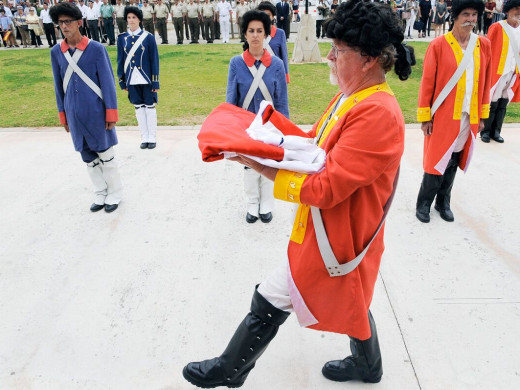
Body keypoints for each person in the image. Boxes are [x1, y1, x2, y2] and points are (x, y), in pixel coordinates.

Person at [183, 1, 413, 387]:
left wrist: (262, 165)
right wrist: (259, 139)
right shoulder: (352, 96)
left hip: (339, 235)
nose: (329, 57)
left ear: (370, 59)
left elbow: (324, 187)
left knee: (273, 294)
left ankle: (231, 369)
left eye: (338, 51)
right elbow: (313, 145)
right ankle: (368, 367)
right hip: (335, 229)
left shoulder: (376, 112)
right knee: (354, 298)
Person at [415, 0, 491, 223]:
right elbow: (427, 82)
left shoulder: (483, 45)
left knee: (455, 158)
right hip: (444, 115)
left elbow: (485, 83)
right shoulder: (438, 45)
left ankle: (443, 202)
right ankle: (424, 203)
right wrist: (425, 117)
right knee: (436, 159)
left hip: (469, 116)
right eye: (465, 14)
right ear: (455, 17)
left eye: (474, 15)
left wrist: (483, 116)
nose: (470, 19)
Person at [49, 2, 122, 213]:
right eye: (60, 23)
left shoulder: (96, 49)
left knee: (106, 155)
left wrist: (111, 113)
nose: (64, 26)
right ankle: (100, 192)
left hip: (97, 113)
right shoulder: (56, 52)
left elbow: (108, 84)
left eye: (68, 21)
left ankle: (115, 192)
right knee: (88, 157)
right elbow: (58, 87)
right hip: (73, 113)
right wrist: (63, 116)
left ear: (79, 22)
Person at [223, 9, 288, 224]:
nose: (255, 35)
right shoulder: (236, 63)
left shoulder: (277, 64)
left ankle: (267, 203)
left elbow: (281, 100)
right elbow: (231, 98)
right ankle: (252, 202)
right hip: (247, 124)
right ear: (244, 34)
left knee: (268, 164)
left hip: (270, 125)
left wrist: (284, 129)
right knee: (249, 165)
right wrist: (230, 127)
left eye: (260, 30)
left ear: (266, 33)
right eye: (251, 30)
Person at [117, 6, 160, 149]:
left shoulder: (148, 38)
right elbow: (120, 60)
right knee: (138, 108)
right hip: (131, 78)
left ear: (139, 20)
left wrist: (155, 82)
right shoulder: (122, 38)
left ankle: (152, 137)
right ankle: (144, 137)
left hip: (146, 78)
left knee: (149, 107)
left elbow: (154, 60)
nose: (131, 20)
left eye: (134, 17)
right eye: (128, 18)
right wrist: (122, 80)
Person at [481, 0, 520, 144]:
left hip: (513, 71)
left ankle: (496, 131)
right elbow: (487, 49)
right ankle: (485, 131)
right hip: (497, 70)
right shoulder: (497, 27)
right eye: (515, 9)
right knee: (493, 100)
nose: (518, 12)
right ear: (508, 11)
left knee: (504, 101)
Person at [257, 1, 290, 83]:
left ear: (272, 17)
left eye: (268, 15)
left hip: (275, 74)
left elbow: (284, 57)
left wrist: (286, 76)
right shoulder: (253, 33)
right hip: (257, 74)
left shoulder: (280, 33)